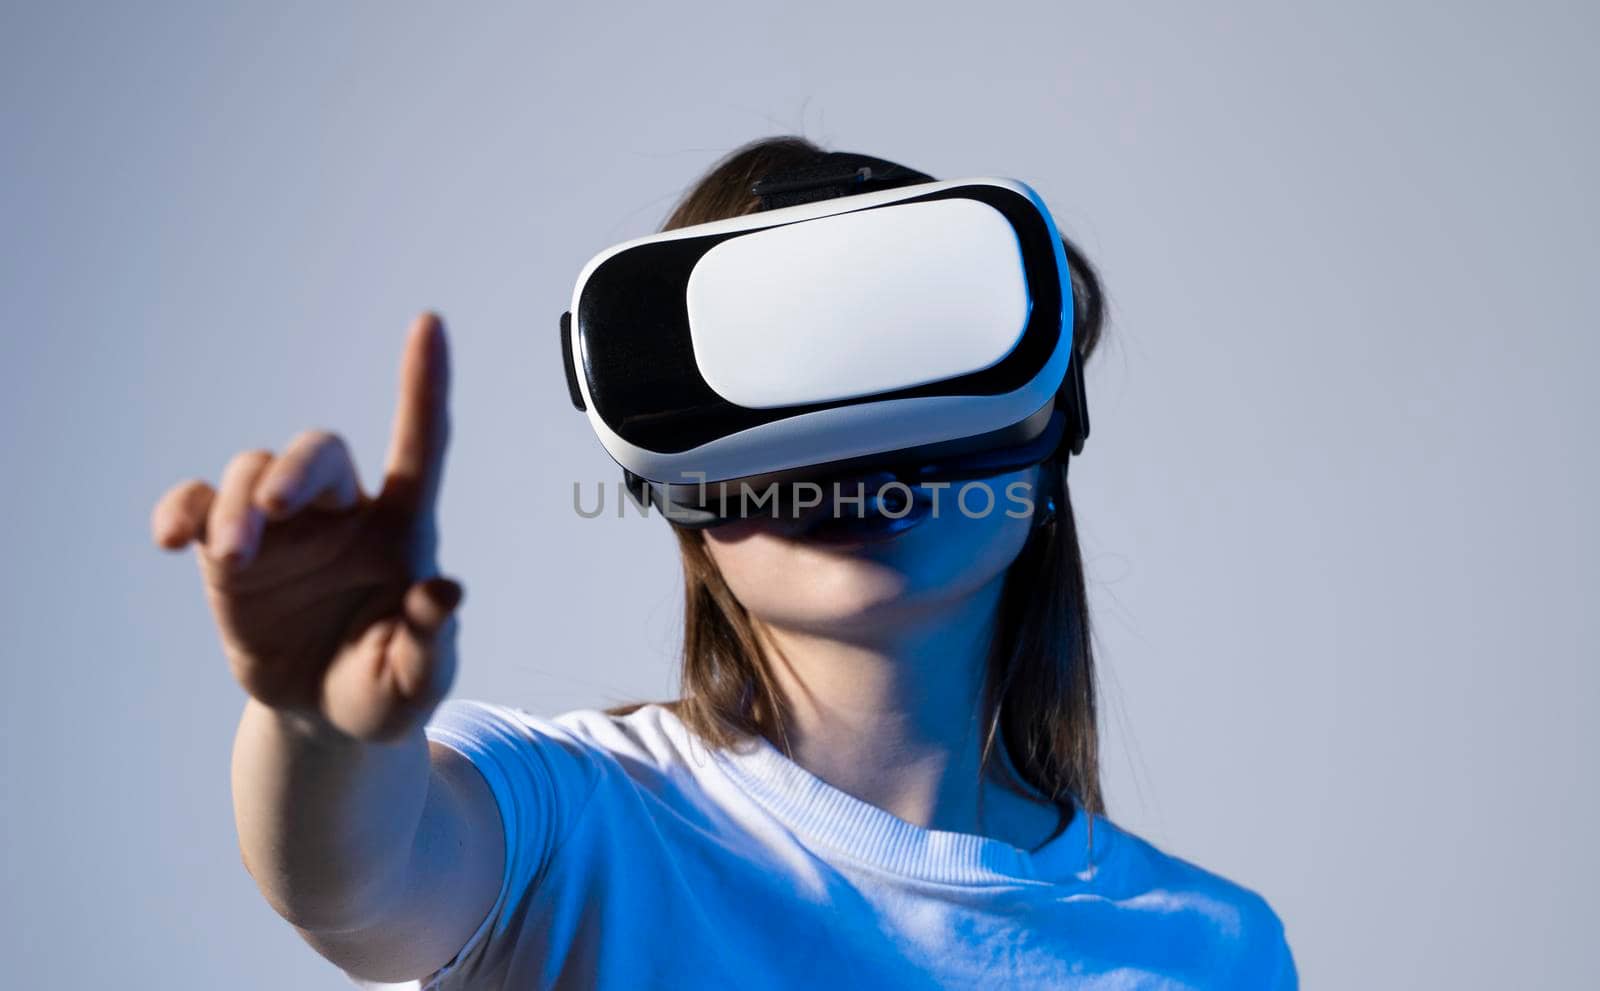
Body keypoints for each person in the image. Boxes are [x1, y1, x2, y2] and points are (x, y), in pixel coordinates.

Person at [151, 136, 1297, 989]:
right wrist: (318, 724)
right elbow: (355, 884)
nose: (849, 452)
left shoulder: (1209, 945)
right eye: (778, 393)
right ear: (675, 489)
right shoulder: (573, 821)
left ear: (1044, 437)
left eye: (905, 361)